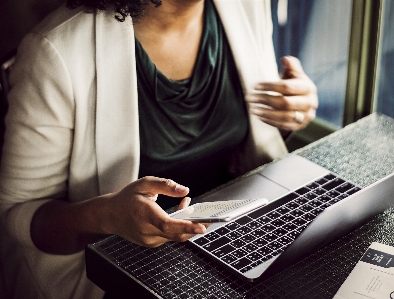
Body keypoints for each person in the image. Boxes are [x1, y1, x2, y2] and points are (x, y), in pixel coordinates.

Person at [0, 0, 318, 298]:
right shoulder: (56, 51)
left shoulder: (245, 6)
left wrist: (290, 113)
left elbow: (239, 144)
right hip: (118, 275)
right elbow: (15, 215)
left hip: (228, 245)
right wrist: (107, 217)